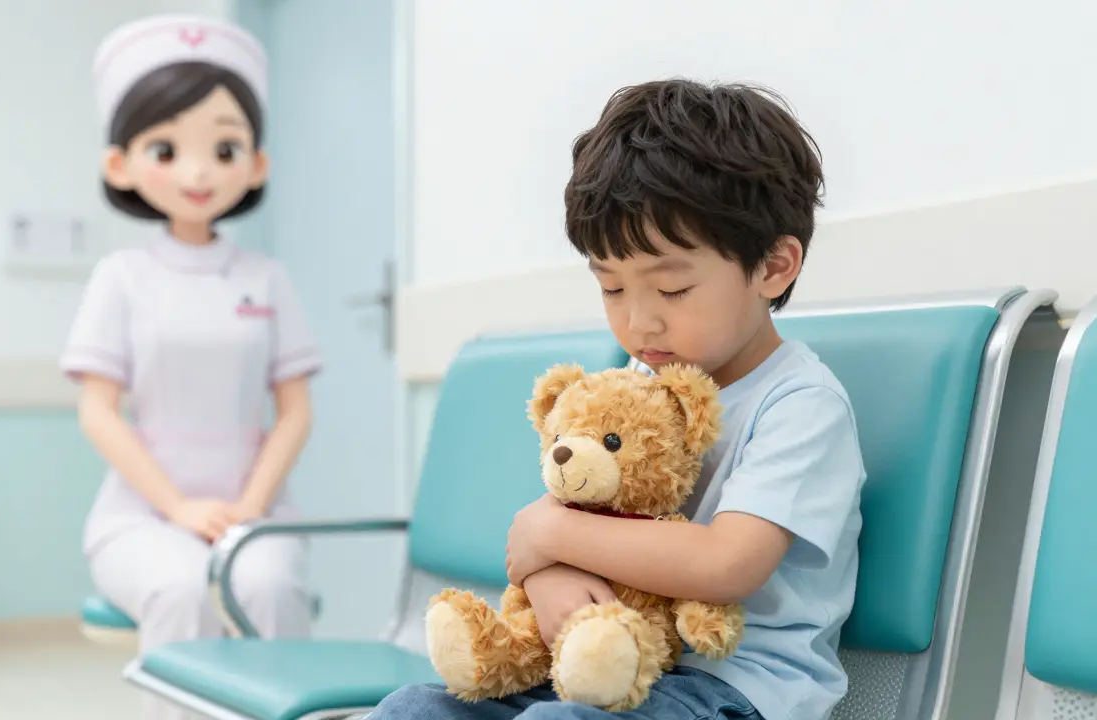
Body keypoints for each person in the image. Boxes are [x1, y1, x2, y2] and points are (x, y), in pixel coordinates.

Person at [372, 79, 865, 720]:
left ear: (773, 267)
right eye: (611, 288)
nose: (638, 323)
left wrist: (547, 532)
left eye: (672, 290)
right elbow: (562, 518)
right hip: (604, 668)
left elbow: (726, 565)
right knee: (413, 709)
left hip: (734, 689)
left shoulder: (800, 405)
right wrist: (547, 575)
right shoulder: (640, 379)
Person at [61, 14, 320, 720]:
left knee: (268, 587)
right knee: (178, 588)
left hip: (253, 511)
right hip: (140, 516)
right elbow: (97, 411)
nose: (198, 172)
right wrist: (176, 508)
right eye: (166, 149)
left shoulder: (266, 278)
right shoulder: (121, 277)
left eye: (224, 148)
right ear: (121, 164)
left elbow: (294, 412)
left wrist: (250, 507)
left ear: (255, 164)